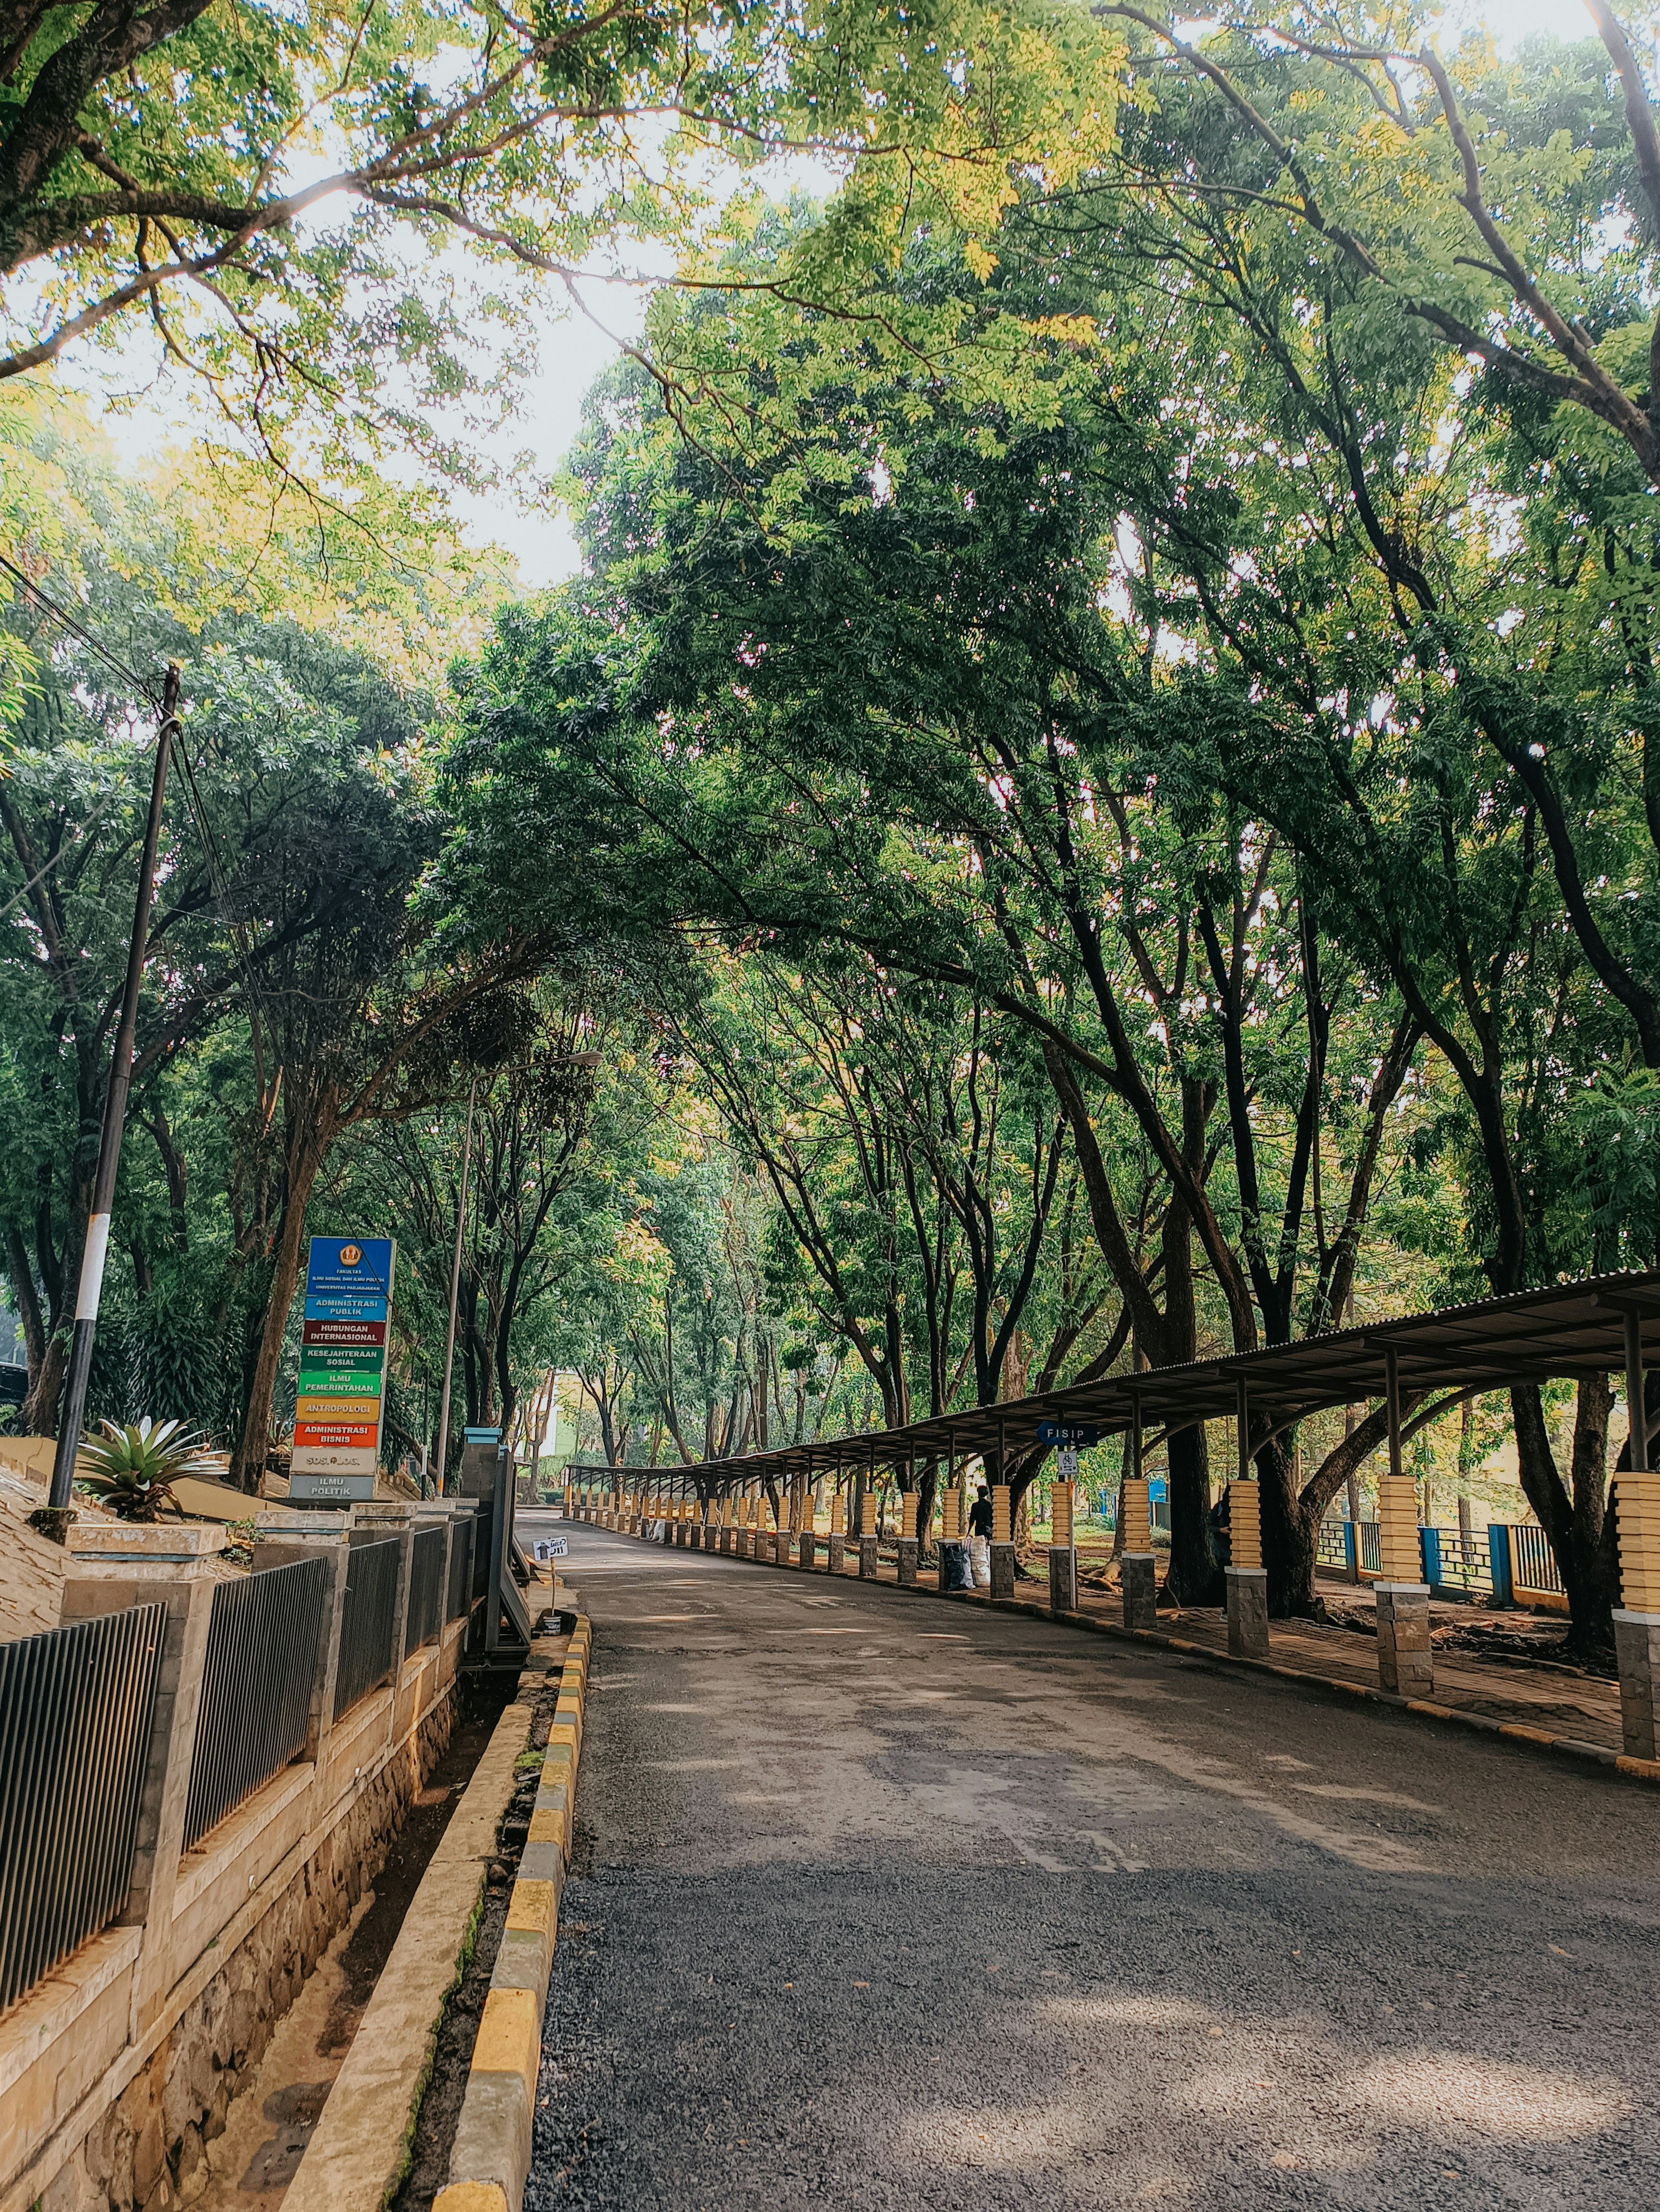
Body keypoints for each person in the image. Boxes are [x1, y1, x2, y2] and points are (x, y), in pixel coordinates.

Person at [968, 1482, 994, 1588]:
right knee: (987, 1553)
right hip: (989, 1532)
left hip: (979, 1531)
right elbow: (993, 1520)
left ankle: (983, 1577)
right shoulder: (990, 1506)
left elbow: (972, 1520)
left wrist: (968, 1532)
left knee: (980, 1553)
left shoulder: (975, 1506)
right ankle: (988, 1575)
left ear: (978, 1493)